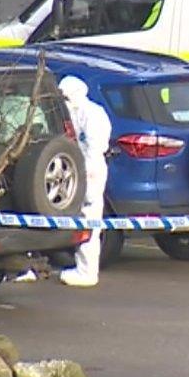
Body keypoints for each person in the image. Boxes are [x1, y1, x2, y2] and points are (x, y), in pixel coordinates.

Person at [57, 76, 112, 287]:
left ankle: (87, 271)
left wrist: (84, 172)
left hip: (92, 170)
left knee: (89, 217)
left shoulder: (93, 114)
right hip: (77, 169)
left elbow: (94, 147)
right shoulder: (75, 112)